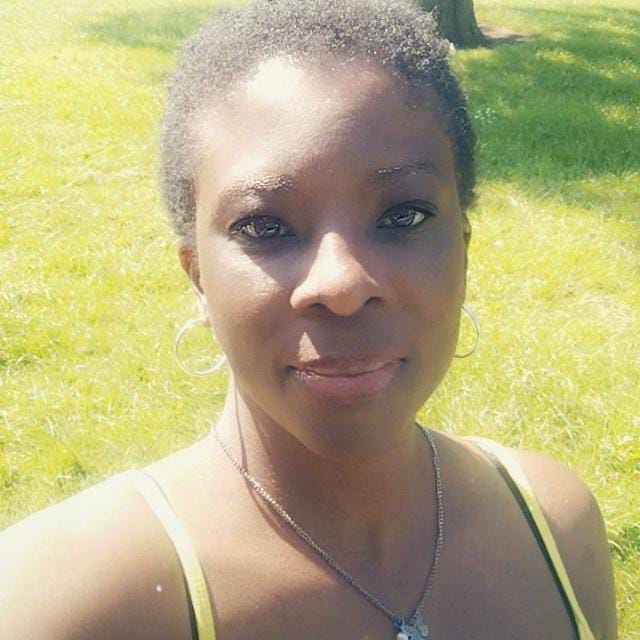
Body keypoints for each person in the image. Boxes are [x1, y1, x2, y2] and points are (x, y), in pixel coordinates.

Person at [0, 0, 616, 638]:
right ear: (197, 276)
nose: (342, 286)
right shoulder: (65, 604)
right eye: (265, 226)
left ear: (463, 245)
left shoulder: (555, 529)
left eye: (403, 215)